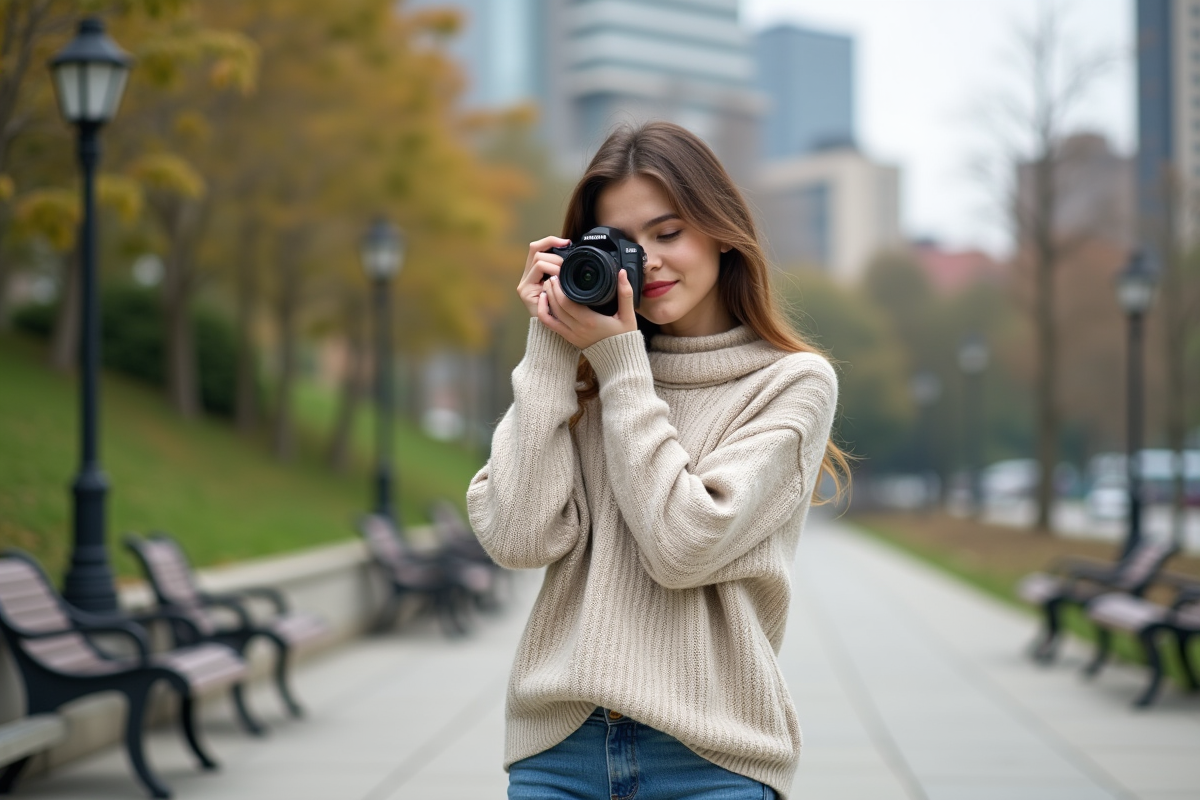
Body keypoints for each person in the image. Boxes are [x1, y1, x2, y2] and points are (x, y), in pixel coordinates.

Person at [466, 121, 848, 800]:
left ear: (721, 230)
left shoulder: (791, 383)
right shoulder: (581, 377)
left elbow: (683, 545)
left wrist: (619, 365)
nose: (650, 264)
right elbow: (518, 537)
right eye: (623, 244)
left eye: (669, 233)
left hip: (710, 760)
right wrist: (552, 344)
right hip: (560, 753)